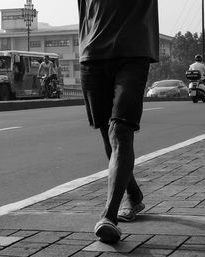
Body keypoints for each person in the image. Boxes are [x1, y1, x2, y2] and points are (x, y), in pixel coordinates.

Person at [78, 0, 159, 244]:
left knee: (120, 131)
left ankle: (108, 217)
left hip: (132, 54)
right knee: (108, 136)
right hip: (92, 54)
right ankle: (133, 194)